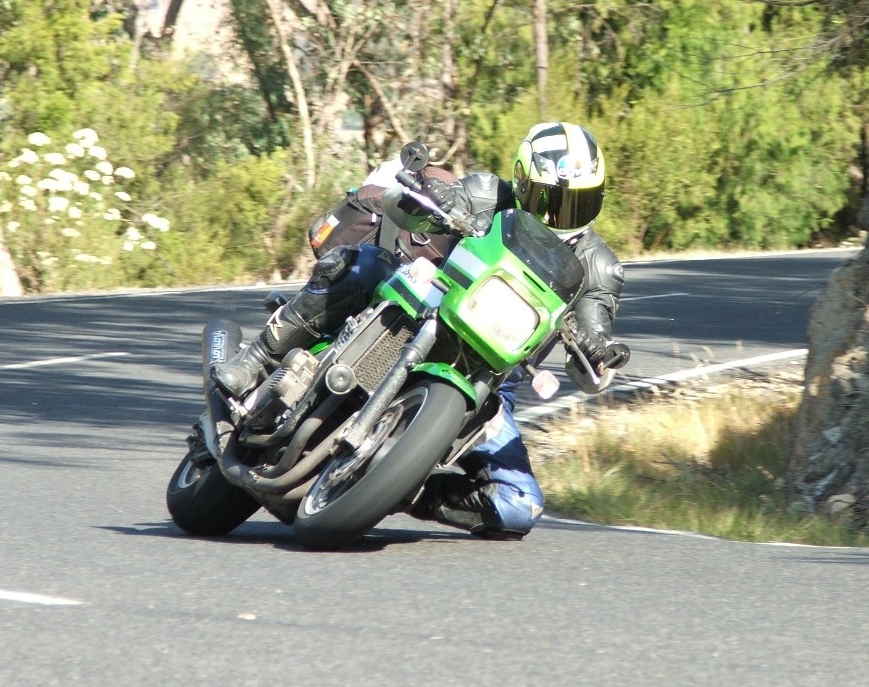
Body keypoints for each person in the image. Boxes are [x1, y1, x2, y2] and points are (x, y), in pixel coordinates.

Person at [211, 122, 626, 540]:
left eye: (581, 201)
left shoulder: (599, 266)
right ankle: (256, 358)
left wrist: (596, 350)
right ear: (522, 182)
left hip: (490, 381)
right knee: (360, 265)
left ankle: (398, 485)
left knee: (518, 506)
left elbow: (595, 336)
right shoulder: (488, 192)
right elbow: (409, 207)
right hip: (431, 302)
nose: (562, 215)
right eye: (551, 199)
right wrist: (434, 197)